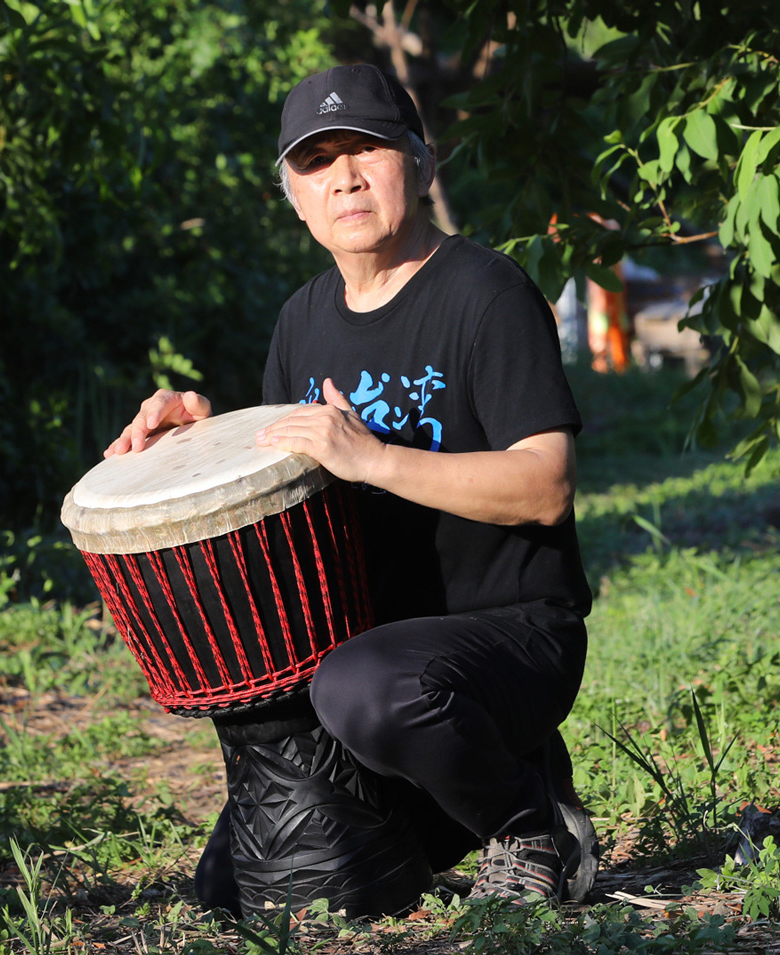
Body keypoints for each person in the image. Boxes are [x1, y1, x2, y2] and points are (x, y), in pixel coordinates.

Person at [104, 63, 597, 908]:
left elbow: (544, 486)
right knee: (246, 880)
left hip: (505, 638)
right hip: (358, 658)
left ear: (419, 161)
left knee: (364, 686)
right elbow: (290, 483)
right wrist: (197, 438)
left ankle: (529, 824)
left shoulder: (488, 294)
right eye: (316, 161)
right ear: (293, 196)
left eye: (367, 147)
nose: (346, 177)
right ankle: (452, 802)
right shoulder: (302, 318)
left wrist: (374, 459)